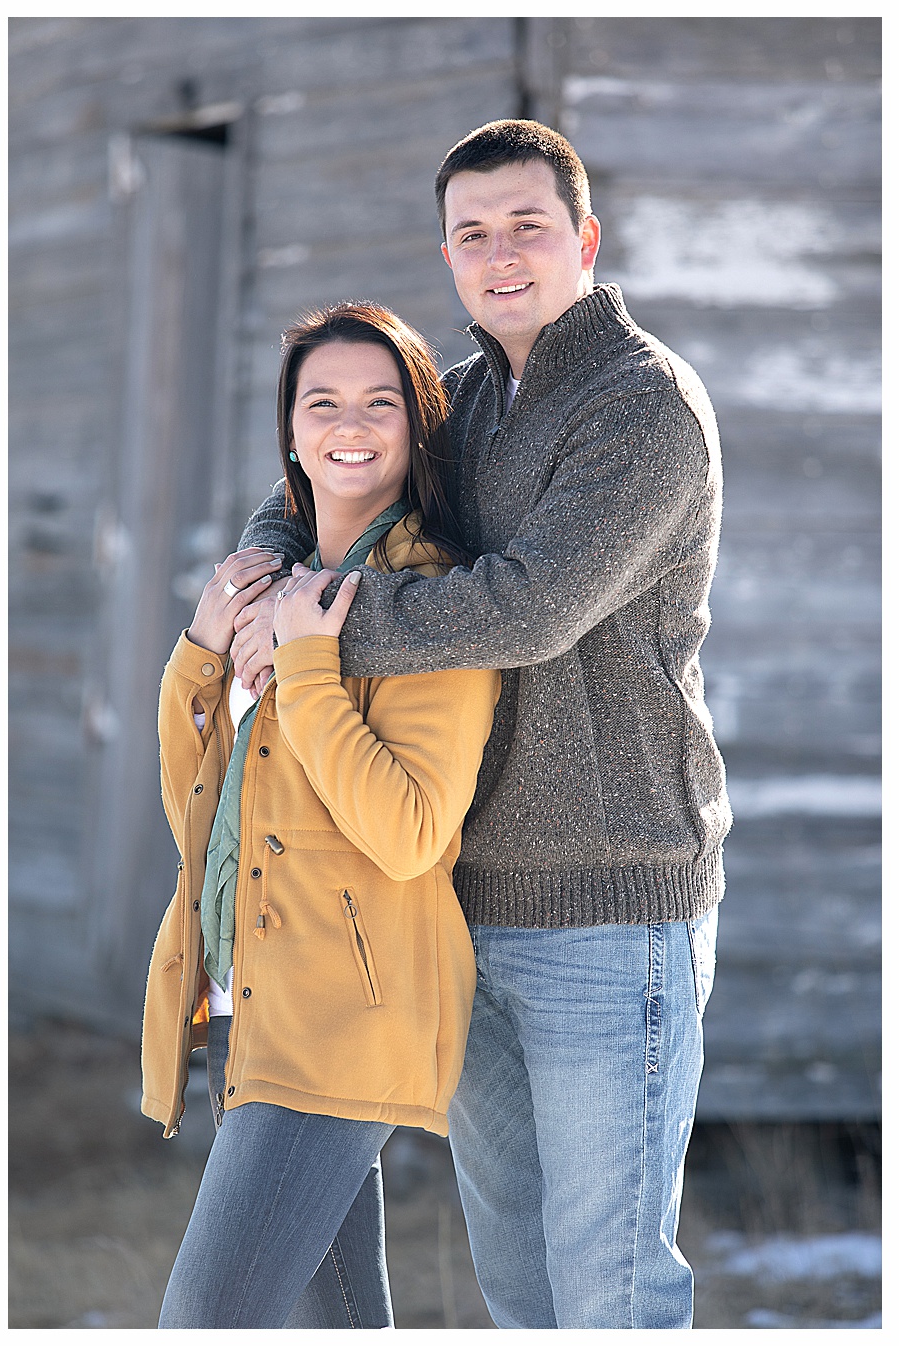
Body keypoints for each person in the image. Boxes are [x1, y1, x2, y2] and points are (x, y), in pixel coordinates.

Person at [231, 120, 726, 1328]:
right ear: (446, 254)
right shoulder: (464, 404)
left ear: (585, 240)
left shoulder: (640, 405)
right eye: (472, 233)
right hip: (462, 897)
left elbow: (534, 607)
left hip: (612, 905)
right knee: (518, 1282)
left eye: (527, 227)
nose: (500, 254)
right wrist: (263, 552)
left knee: (609, 1286)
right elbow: (342, 463)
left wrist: (317, 628)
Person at [145, 303, 501, 1328]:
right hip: (249, 997)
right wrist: (201, 654)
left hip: (340, 1018)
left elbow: (409, 831)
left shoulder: (433, 602)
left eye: (381, 401)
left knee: (205, 1319)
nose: (352, 421)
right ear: (291, 432)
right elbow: (199, 818)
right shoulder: (279, 589)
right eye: (325, 400)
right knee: (338, 1321)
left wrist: (305, 669)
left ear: (416, 428)